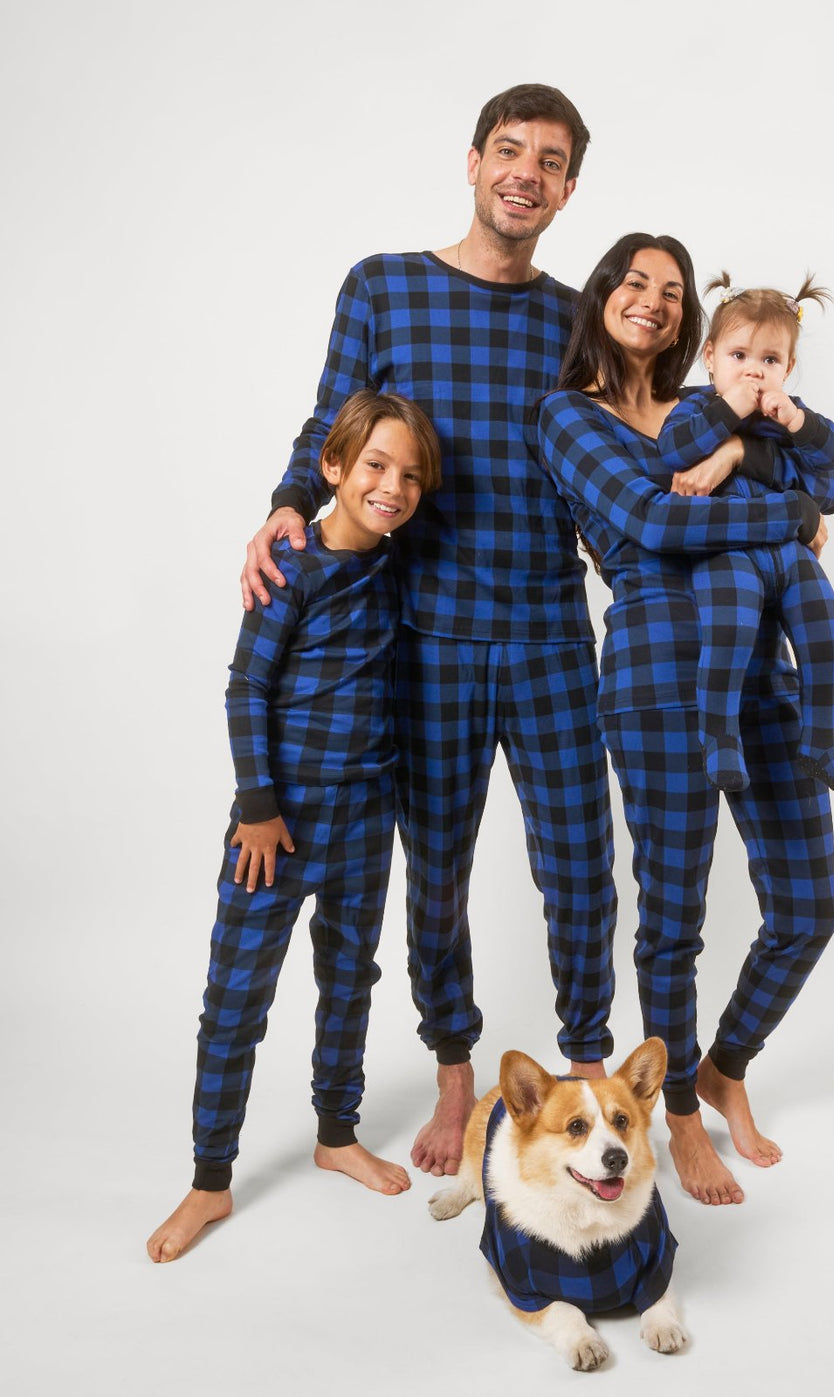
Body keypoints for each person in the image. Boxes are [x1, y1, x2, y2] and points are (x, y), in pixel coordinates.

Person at [239, 85, 617, 1179]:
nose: (526, 174)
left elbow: (639, 441)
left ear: (567, 189)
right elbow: (332, 420)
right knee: (437, 870)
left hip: (550, 634)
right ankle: (458, 1066)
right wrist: (282, 503)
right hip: (426, 636)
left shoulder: (574, 319)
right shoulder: (386, 288)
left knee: (582, 868)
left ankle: (584, 1067)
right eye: (511, 151)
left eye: (549, 162)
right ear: (473, 161)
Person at [536, 234, 834, 1206]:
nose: (656, 301)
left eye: (673, 291)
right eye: (638, 283)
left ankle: (726, 1067)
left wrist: (766, 473)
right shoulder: (568, 416)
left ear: (694, 325)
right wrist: (787, 517)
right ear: (605, 296)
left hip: (764, 673)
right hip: (658, 682)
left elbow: (814, 479)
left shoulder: (705, 410)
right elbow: (655, 524)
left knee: (807, 906)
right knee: (674, 918)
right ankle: (676, 1113)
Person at [147, 391, 441, 1262]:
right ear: (334, 470)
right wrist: (259, 809)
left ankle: (335, 1130)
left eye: (412, 476)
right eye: (377, 467)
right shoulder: (291, 567)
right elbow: (245, 691)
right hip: (274, 828)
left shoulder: (391, 567)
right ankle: (209, 1180)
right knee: (235, 1002)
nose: (393, 487)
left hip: (365, 817)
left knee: (350, 979)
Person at [656, 273, 834, 796]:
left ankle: (823, 742)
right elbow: (676, 452)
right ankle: (720, 736)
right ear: (710, 357)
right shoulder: (698, 409)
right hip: (728, 552)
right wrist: (733, 416)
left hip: (791, 555)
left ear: (788, 368)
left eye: (770, 361)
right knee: (730, 633)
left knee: (828, 634)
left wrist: (797, 424)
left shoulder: (786, 419)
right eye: (739, 356)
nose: (754, 371)